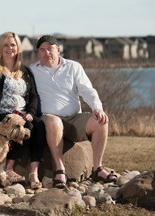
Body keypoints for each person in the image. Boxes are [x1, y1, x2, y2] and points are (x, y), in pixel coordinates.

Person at [29, 35, 117, 189]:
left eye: (50, 49)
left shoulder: (73, 67)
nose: (46, 53)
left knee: (101, 121)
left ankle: (97, 168)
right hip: (48, 121)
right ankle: (59, 169)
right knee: (53, 121)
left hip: (74, 118)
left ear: (58, 50)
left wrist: (97, 108)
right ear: (38, 53)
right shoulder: (32, 71)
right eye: (42, 50)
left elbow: (87, 90)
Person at [0, 32, 46, 189]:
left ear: (18, 48)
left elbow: (34, 95)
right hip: (1, 114)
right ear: (0, 47)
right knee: (25, 127)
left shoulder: (25, 71)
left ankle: (33, 172)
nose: (9, 48)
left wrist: (31, 112)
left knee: (39, 125)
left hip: (21, 113)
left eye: (13, 45)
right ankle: (8, 169)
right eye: (5, 45)